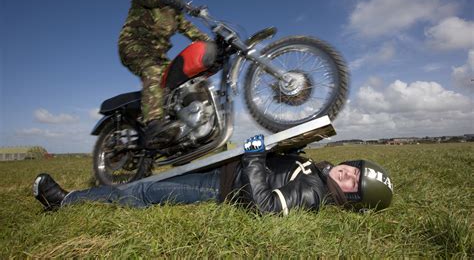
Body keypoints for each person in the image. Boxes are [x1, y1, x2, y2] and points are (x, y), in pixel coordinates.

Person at [33, 135, 393, 215]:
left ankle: (63, 200)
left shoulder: (314, 192)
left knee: (139, 192)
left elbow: (264, 206)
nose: (348, 173)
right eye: (355, 170)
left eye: (353, 183)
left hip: (217, 186)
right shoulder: (318, 169)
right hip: (226, 165)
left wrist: (254, 156)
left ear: (351, 198)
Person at [118, 0, 211, 145]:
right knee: (153, 71)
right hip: (134, 46)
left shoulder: (174, 13)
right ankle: (153, 124)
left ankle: (179, 126)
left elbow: (189, 29)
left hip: (158, 55)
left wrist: (210, 41)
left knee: (180, 80)